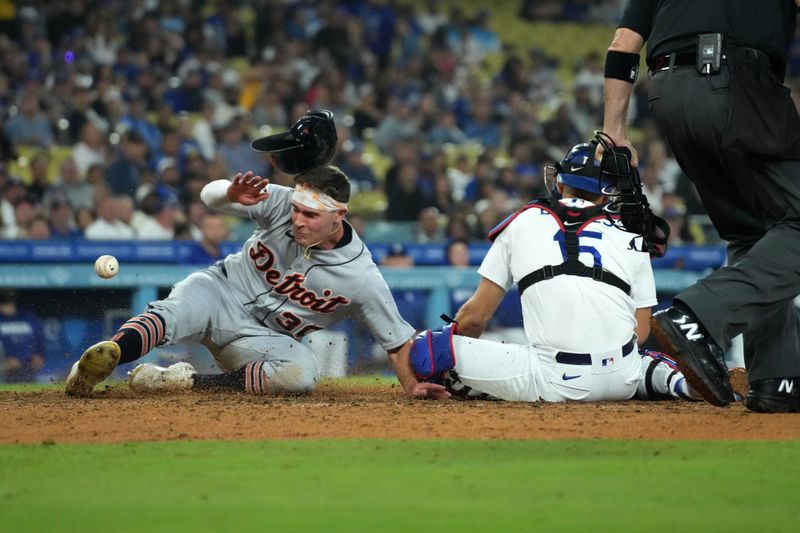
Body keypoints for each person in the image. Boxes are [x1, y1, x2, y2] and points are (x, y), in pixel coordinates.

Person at [65, 110, 448, 401]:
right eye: (297, 210)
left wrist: (413, 385)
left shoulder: (361, 278)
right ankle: (99, 363)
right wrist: (231, 195)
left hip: (261, 338)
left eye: (310, 215)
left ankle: (178, 380)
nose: (297, 219)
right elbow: (208, 196)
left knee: (301, 375)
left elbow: (397, 343)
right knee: (171, 314)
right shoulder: (283, 203)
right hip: (219, 292)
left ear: (339, 217)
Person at [598, 1, 800, 412]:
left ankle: (777, 381)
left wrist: (614, 130)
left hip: (669, 96)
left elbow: (623, 43)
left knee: (754, 230)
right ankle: (699, 316)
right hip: (738, 83)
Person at [398, 141, 714, 403]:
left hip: (552, 380)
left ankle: (472, 390)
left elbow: (475, 318)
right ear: (606, 194)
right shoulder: (632, 232)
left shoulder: (523, 220)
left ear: (560, 183)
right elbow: (640, 330)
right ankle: (671, 380)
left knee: (429, 348)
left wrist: (452, 361)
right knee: (639, 357)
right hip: (622, 379)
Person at [0, 290, 45, 383]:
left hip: (28, 373)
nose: (7, 289)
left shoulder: (28, 316)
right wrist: (3, 365)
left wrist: (38, 356)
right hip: (3, 377)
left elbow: (40, 343)